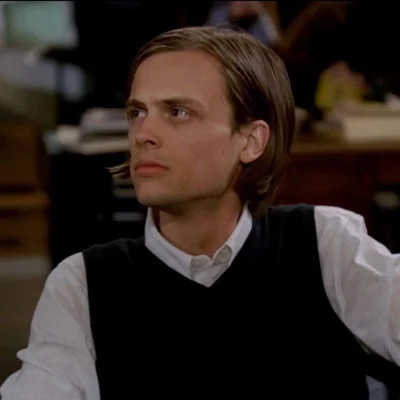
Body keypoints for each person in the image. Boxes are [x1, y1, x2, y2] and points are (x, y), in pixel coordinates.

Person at [1, 26, 400, 400]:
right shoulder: (83, 284)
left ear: (251, 140)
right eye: (137, 112)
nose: (143, 134)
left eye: (178, 112)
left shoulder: (325, 245)